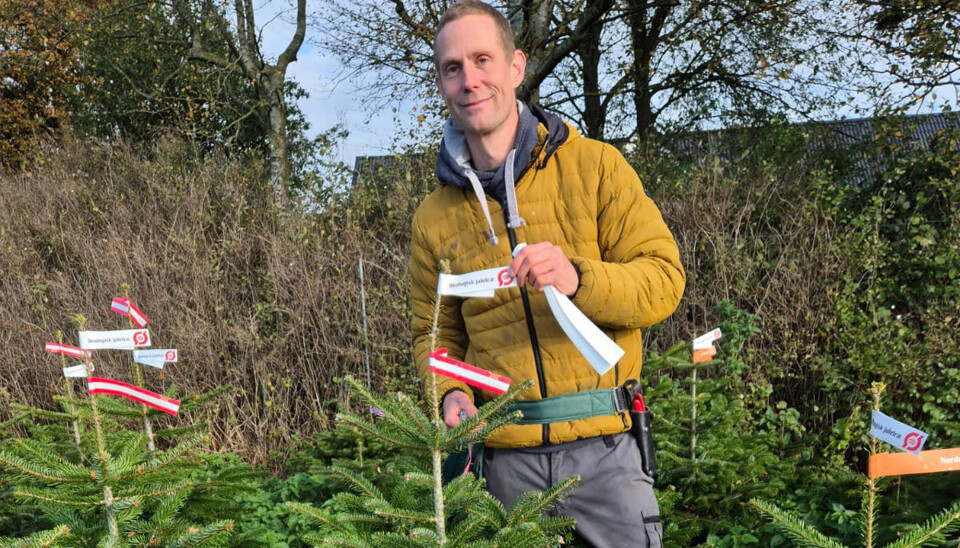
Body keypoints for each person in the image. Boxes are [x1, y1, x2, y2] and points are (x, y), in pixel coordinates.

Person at [409, 1, 685, 546]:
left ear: (516, 68)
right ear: (440, 83)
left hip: (608, 453)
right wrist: (450, 394)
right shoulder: (432, 218)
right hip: (504, 469)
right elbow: (436, 334)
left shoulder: (597, 167)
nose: (470, 80)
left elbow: (663, 281)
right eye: (453, 68)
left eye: (483, 60)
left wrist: (579, 279)